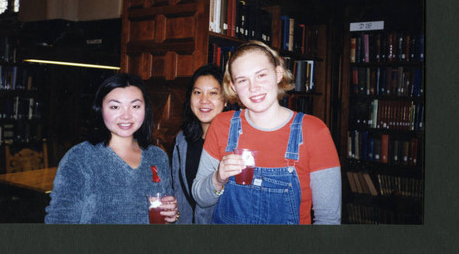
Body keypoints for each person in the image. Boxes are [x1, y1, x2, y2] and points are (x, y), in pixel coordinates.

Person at [192, 40, 341, 224]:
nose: (253, 88)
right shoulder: (222, 125)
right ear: (233, 87)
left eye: (261, 75)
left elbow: (328, 220)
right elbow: (201, 198)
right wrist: (218, 178)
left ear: (278, 74)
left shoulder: (314, 132)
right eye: (242, 80)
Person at [45, 73, 178, 224]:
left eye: (135, 106)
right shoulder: (80, 157)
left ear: (145, 109)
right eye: (115, 106)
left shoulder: (158, 156)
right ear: (100, 109)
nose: (126, 116)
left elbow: (166, 214)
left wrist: (172, 215)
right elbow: (60, 220)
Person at [172, 64, 227, 224]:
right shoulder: (181, 140)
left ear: (225, 100)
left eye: (213, 93)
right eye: (197, 92)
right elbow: (178, 192)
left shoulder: (235, 144)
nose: (204, 100)